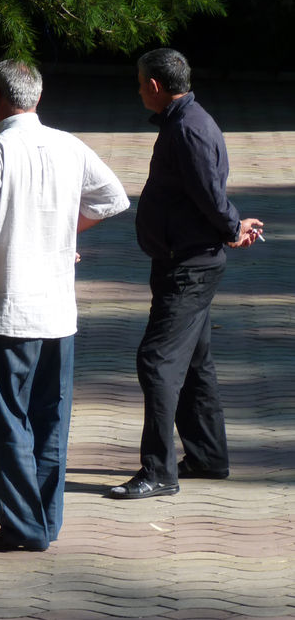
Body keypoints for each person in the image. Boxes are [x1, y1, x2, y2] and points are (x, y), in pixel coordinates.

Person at [0, 59, 130, 551]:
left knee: (3, 424)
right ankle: (44, 522)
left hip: (6, 311)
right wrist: (59, 232)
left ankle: (21, 526)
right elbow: (112, 198)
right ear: (36, 98)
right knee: (49, 421)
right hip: (57, 313)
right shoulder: (68, 144)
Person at [110, 49, 263, 499]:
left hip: (189, 267)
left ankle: (158, 472)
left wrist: (232, 226)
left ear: (155, 86)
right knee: (194, 364)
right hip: (185, 260)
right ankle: (207, 456)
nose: (138, 90)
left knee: (156, 362)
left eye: (140, 83)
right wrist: (230, 226)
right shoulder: (185, 122)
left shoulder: (189, 129)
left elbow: (209, 194)